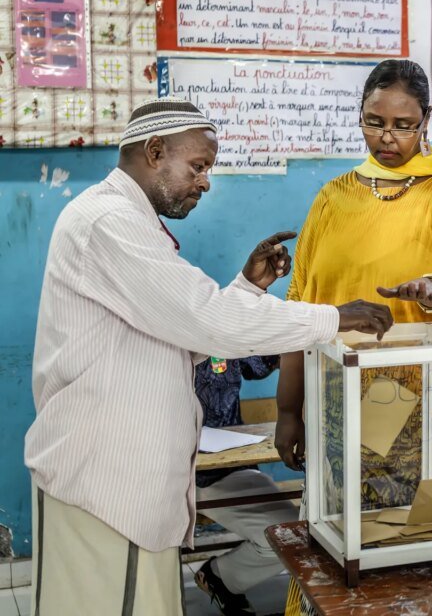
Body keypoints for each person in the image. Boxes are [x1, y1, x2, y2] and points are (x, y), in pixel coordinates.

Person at [24, 97, 393, 615]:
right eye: (197, 166)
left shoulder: (128, 220)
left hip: (123, 477)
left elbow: (185, 332)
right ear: (155, 151)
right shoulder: (109, 222)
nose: (205, 182)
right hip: (104, 480)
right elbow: (209, 322)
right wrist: (336, 317)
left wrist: (247, 287)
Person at [275, 60, 432, 616]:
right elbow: (301, 312)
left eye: (403, 124)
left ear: (426, 121)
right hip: (345, 413)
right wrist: (289, 409)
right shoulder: (334, 198)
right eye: (373, 122)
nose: (387, 137)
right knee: (352, 564)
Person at [193, 354, 296, 616]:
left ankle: (222, 577)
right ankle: (220, 578)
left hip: (230, 467)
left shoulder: (227, 327)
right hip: (179, 473)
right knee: (291, 538)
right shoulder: (164, 338)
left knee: (295, 535)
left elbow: (260, 362)